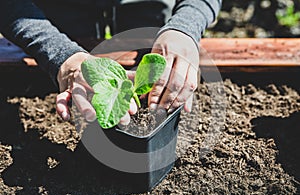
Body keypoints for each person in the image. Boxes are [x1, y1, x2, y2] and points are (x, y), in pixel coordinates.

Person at [0, 0, 222, 125]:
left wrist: (184, 26)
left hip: (149, 6)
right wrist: (62, 56)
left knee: (159, 77)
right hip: (57, 13)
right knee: (84, 94)